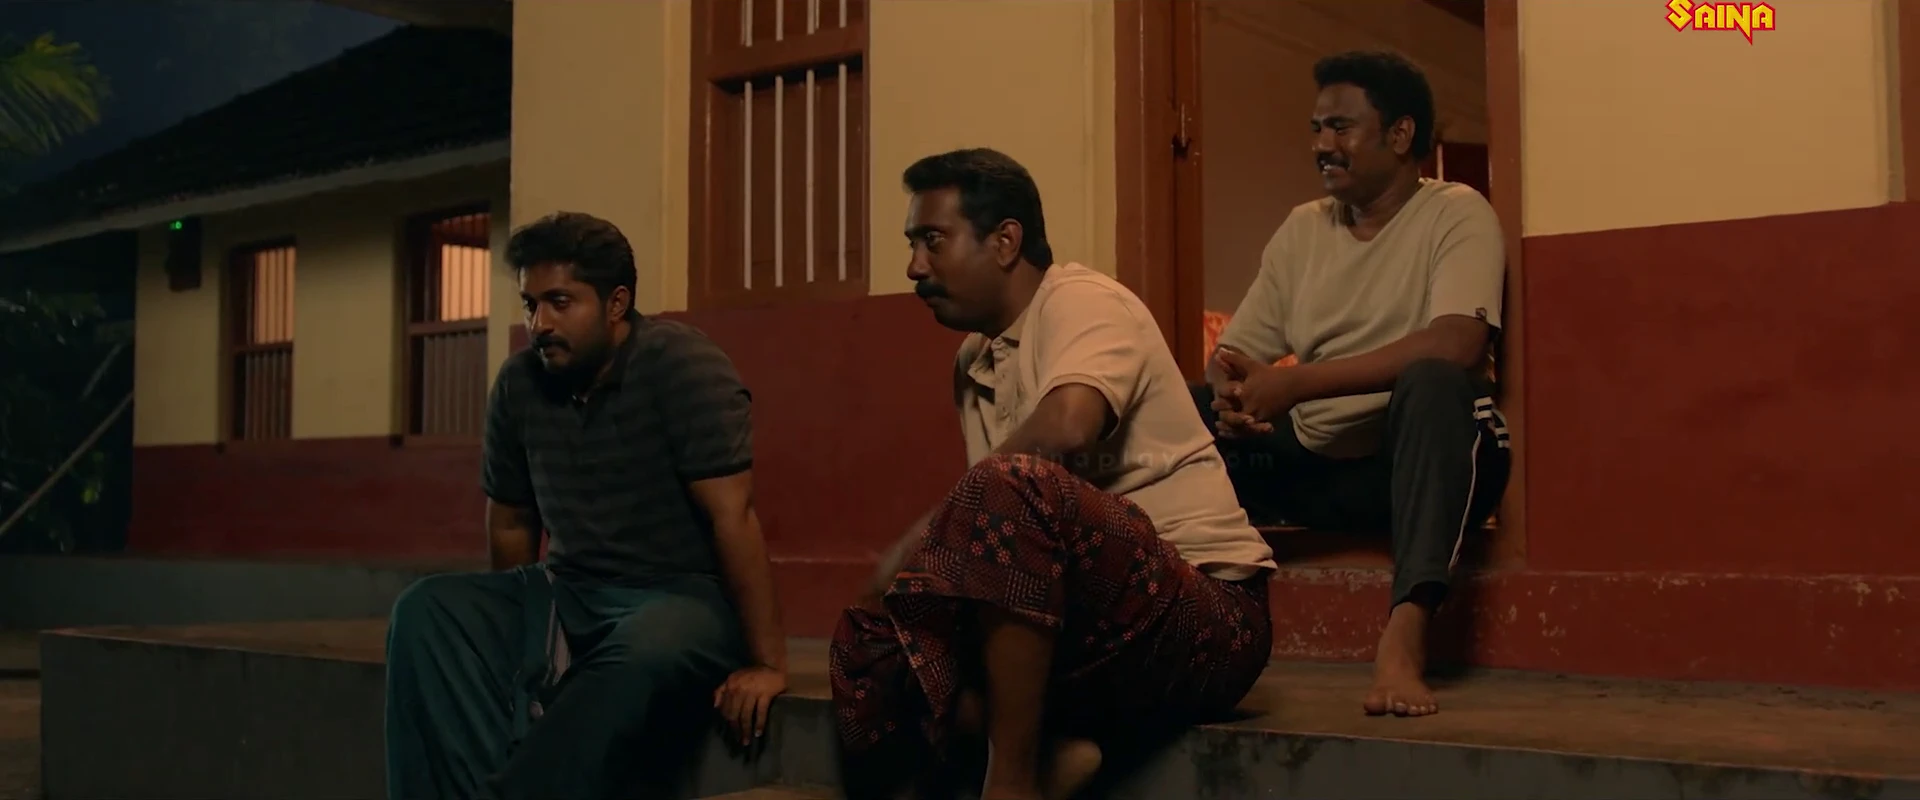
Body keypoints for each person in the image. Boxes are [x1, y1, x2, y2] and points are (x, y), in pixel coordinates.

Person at [830, 149, 1278, 800]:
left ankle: (1011, 785)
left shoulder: (1082, 300)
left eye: (933, 240)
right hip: (1086, 639)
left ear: (1005, 241)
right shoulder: (973, 361)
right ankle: (1053, 754)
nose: (914, 267)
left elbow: (1066, 429)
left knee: (1006, 487)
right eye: (912, 245)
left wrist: (913, 545)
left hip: (1208, 621)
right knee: (871, 637)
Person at [383, 212, 788, 799]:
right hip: (567, 592)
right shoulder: (520, 382)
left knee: (643, 647)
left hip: (680, 599)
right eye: (530, 304)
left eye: (560, 302)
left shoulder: (682, 365)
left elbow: (734, 517)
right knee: (426, 611)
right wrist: (523, 652)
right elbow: (512, 520)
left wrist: (768, 663)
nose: (539, 324)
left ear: (616, 303)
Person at [1194, 50, 1511, 719]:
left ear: (1399, 134)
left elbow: (1458, 341)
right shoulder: (1303, 228)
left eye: (1340, 127)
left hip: (1416, 465)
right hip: (1318, 470)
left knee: (1435, 383)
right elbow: (1234, 357)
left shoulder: (1456, 212)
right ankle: (1174, 622)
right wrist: (1233, 396)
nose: (1321, 145)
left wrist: (1298, 385)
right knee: (1180, 411)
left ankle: (1406, 634)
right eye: (1316, 129)